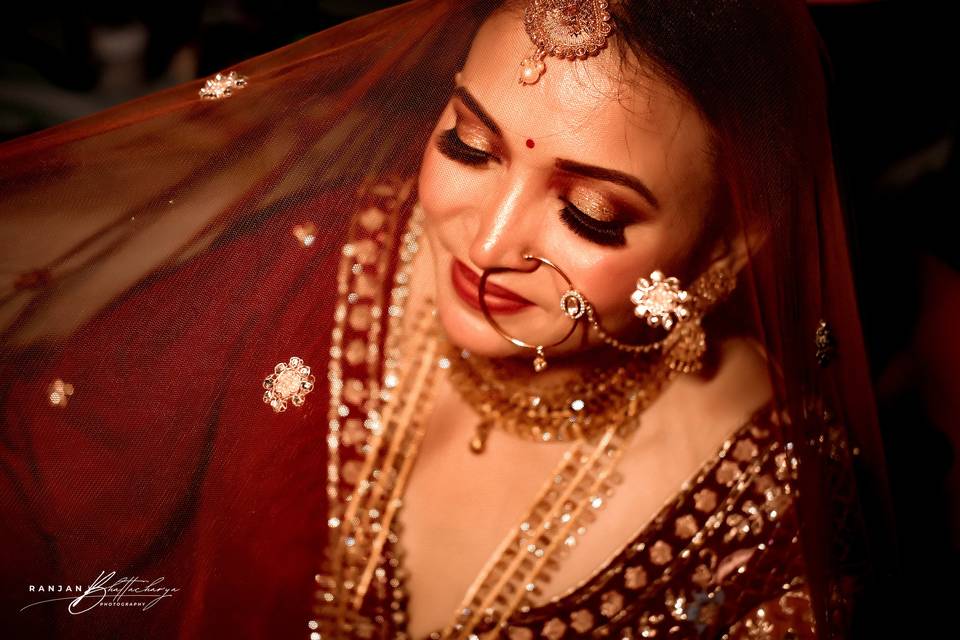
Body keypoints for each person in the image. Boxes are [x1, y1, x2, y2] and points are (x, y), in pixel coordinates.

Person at [0, 1, 900, 638]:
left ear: (735, 242)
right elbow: (50, 465)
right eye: (468, 145)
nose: (488, 241)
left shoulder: (758, 525)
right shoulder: (342, 250)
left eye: (589, 212)